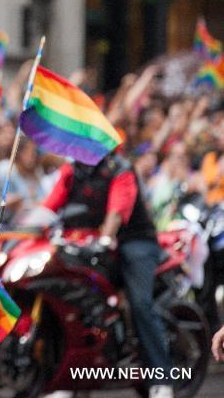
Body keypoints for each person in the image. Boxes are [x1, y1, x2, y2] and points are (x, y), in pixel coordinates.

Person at [42, 153, 173, 398]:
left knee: (140, 304)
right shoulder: (71, 171)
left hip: (133, 242)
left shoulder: (120, 168)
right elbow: (49, 207)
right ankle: (68, 381)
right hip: (88, 243)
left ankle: (162, 379)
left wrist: (105, 238)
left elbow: (117, 212)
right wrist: (28, 225)